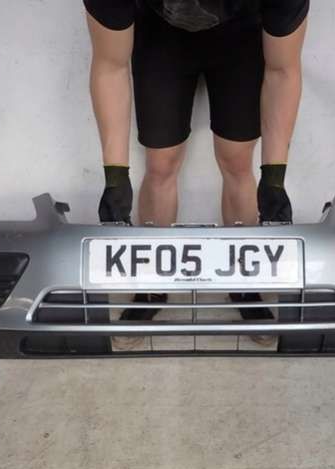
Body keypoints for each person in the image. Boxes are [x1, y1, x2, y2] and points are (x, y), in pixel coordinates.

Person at [85, 0, 308, 340]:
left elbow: (284, 70)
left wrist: (274, 181)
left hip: (240, 37)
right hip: (161, 37)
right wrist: (115, 180)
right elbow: (109, 65)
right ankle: (151, 286)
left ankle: (245, 283)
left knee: (237, 161)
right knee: (161, 163)